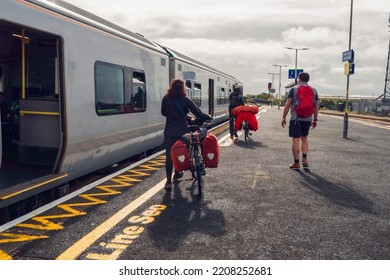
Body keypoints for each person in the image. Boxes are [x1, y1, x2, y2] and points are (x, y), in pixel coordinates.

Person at [161, 79, 211, 191]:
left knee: (169, 156)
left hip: (169, 131)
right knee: (182, 151)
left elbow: (163, 113)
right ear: (183, 88)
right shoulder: (185, 100)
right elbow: (197, 113)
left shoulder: (166, 99)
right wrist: (207, 116)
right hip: (182, 131)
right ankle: (178, 172)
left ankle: (169, 181)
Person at [281, 72, 318, 170]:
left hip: (295, 119)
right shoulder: (314, 90)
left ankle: (296, 163)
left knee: (295, 140)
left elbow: (288, 105)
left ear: (299, 79)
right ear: (308, 80)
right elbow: (316, 106)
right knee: (304, 138)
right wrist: (315, 119)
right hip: (307, 119)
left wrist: (284, 117)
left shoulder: (294, 89)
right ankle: (304, 159)